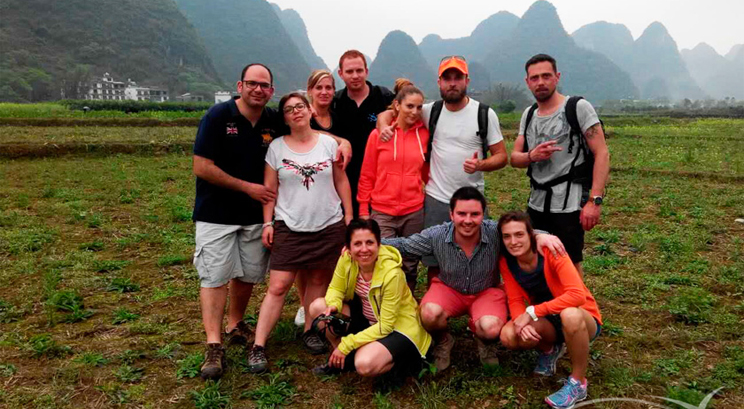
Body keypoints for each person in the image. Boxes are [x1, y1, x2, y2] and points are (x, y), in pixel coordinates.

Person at [192, 64, 352, 381]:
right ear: (240, 85)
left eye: (264, 85)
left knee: (249, 273)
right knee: (216, 275)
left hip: (259, 216)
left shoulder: (269, 121)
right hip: (219, 213)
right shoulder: (218, 116)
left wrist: (342, 141)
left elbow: (309, 131)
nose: (258, 90)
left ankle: (236, 324)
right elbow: (201, 166)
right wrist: (250, 190)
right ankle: (215, 344)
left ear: (271, 90)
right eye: (252, 84)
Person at [382, 187, 565, 371]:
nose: (468, 220)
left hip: (486, 290)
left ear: (483, 215)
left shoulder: (495, 232)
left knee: (491, 327)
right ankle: (444, 340)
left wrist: (540, 236)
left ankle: (484, 340)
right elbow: (404, 246)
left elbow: (522, 232)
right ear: (451, 214)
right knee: (428, 314)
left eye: (475, 214)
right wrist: (369, 243)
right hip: (448, 288)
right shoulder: (436, 235)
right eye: (461, 214)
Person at [247, 92, 353, 373]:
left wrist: (349, 216)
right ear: (284, 117)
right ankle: (258, 345)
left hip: (328, 224)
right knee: (278, 286)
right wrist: (268, 223)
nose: (296, 112)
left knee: (318, 278)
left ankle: (309, 329)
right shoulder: (277, 148)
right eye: (289, 109)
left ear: (310, 111)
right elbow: (270, 192)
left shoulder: (329, 144)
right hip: (289, 225)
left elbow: (341, 180)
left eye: (300, 106)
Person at [378, 56, 508, 285]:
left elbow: (501, 157)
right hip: (437, 199)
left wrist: (481, 165)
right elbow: (391, 113)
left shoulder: (484, 114)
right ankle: (435, 307)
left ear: (467, 80)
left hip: (472, 200)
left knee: (482, 257)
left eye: (457, 77)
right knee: (435, 261)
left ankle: (482, 303)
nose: (452, 83)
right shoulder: (430, 111)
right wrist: (382, 126)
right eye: (447, 78)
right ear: (439, 82)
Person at [510, 54, 610, 277]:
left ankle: (577, 308)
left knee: (569, 261)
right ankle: (548, 307)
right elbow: (514, 158)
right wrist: (532, 156)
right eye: (534, 78)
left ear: (557, 77)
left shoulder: (577, 108)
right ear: (527, 82)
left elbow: (601, 153)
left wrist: (595, 200)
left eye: (546, 76)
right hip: (537, 202)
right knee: (536, 257)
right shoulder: (528, 115)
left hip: (569, 202)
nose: (541, 82)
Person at [497, 211, 602, 409]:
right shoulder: (507, 261)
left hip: (582, 317)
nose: (513, 241)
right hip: (548, 319)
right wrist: (522, 322)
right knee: (509, 335)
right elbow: (515, 298)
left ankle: (578, 382)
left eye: (519, 234)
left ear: (531, 235)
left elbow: (577, 295)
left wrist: (532, 312)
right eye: (507, 236)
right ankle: (549, 349)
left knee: (569, 314)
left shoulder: (551, 250)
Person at [307, 219, 432, 377]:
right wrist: (333, 305)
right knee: (318, 307)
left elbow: (386, 326)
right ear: (349, 248)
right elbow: (335, 288)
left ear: (379, 244)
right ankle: (343, 360)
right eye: (357, 244)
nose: (364, 249)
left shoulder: (392, 273)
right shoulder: (347, 259)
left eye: (369, 242)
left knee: (365, 364)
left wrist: (348, 344)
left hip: (397, 327)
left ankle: (405, 363)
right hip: (368, 319)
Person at [357, 81, 429, 293]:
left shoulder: (424, 134)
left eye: (419, 107)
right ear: (397, 106)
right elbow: (367, 174)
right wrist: (363, 210)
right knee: (385, 261)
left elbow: (426, 170)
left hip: (413, 210)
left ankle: (408, 308)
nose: (414, 112)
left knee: (410, 262)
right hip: (383, 210)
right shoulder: (378, 135)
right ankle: (383, 309)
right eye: (409, 106)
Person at [294, 69, 346, 328]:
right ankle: (304, 305)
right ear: (310, 90)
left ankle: (321, 300)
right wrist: (340, 140)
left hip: (332, 190)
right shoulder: (302, 116)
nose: (324, 92)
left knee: (327, 256)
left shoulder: (338, 116)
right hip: (303, 191)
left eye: (328, 87)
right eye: (319, 88)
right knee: (303, 259)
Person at [333, 50, 395, 217]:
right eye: (349, 71)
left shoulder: (384, 97)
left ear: (366, 71)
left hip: (381, 181)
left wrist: (383, 118)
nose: (355, 76)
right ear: (340, 74)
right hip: (345, 180)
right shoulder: (335, 102)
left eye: (359, 71)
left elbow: (406, 112)